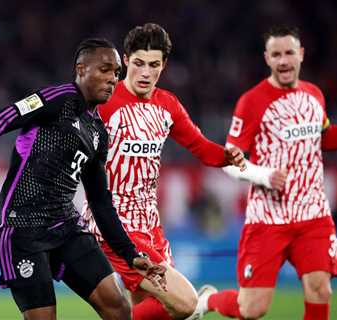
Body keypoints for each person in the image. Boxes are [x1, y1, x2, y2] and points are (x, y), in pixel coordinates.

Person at [0, 38, 167, 320]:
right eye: (105, 69)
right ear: (81, 68)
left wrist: (130, 254)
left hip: (65, 227)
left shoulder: (97, 131)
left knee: (118, 308)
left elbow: (100, 201)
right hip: (22, 229)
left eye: (117, 74)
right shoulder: (56, 100)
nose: (112, 79)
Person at [80, 23, 247, 320]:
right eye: (139, 63)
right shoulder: (103, 102)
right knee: (183, 303)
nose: (146, 72)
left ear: (163, 65)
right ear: (126, 60)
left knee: (152, 308)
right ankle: (205, 304)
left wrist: (227, 156)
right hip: (114, 225)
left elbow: (200, 146)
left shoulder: (167, 105)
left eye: (154, 65)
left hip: (150, 224)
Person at [195, 26, 337, 320]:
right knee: (253, 308)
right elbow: (229, 161)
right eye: (276, 54)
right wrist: (263, 176)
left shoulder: (314, 95)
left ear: (301, 55)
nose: (283, 61)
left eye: (289, 53)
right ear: (267, 58)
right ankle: (209, 300)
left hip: (313, 215)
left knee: (320, 290)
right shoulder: (252, 102)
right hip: (269, 218)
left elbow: (325, 137)